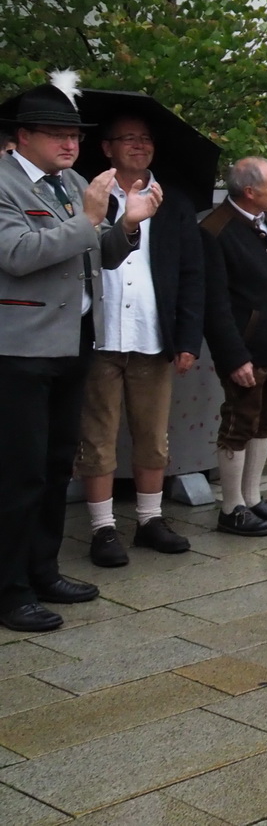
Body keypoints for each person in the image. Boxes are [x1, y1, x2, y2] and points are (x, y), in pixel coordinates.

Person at [0, 79, 159, 632]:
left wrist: (127, 224)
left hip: (72, 342)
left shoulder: (69, 184)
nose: (70, 144)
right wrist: (90, 219)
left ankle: (43, 570)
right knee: (18, 473)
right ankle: (9, 587)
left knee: (52, 466)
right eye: (56, 133)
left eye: (74, 134)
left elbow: (99, 257)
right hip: (18, 347)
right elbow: (17, 254)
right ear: (22, 136)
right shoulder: (2, 182)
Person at [76, 113, 205, 567]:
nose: (139, 145)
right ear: (106, 147)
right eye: (128, 138)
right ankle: (102, 528)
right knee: (97, 437)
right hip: (98, 335)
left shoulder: (175, 202)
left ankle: (150, 520)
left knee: (153, 437)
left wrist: (189, 337)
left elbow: (192, 275)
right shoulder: (86, 195)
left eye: (145, 139)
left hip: (153, 336)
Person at [201, 157, 267, 537]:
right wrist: (233, 357)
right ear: (249, 192)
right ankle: (231, 507)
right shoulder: (216, 230)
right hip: (247, 350)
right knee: (239, 424)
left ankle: (253, 497)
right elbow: (214, 303)